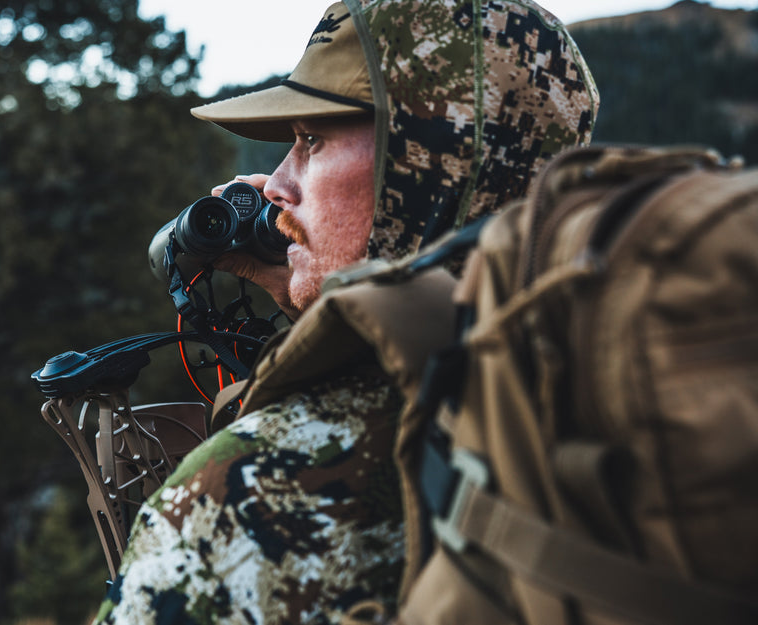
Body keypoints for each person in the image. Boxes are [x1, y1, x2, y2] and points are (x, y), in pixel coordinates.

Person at [93, 0, 598, 623]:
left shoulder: (256, 487)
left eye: (310, 140)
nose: (275, 184)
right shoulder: (627, 379)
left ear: (421, 168)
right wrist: (318, 310)